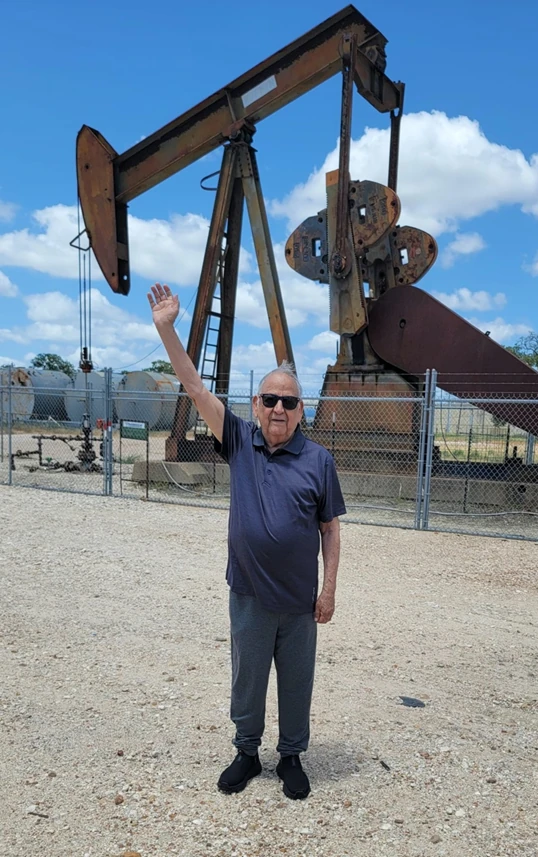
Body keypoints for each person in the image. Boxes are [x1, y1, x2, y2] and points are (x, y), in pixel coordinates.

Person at [147, 282, 346, 800]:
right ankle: (246, 752)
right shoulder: (239, 440)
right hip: (250, 596)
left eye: (289, 402)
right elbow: (194, 389)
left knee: (297, 683)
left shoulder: (319, 461)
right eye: (270, 399)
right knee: (247, 679)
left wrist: (328, 591)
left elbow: (330, 528)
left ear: (302, 409)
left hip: (299, 601)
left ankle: (292, 758)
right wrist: (167, 330)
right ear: (257, 404)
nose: (279, 409)